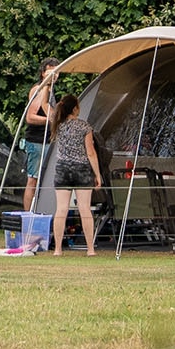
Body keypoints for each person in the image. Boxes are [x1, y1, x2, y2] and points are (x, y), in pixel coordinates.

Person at [50, 92, 103, 254]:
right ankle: (90, 249)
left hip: (62, 168)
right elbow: (91, 152)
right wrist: (98, 175)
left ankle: (58, 249)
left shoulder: (57, 124)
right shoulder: (84, 126)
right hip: (81, 169)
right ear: (75, 109)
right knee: (84, 208)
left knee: (61, 209)